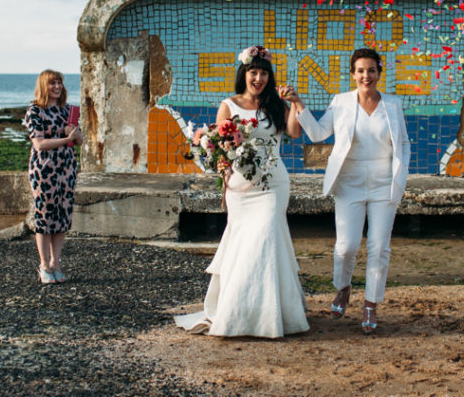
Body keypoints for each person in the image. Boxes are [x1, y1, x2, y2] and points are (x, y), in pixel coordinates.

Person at [175, 46, 309, 338]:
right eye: (253, 72)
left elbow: (294, 133)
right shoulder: (229, 105)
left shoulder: (276, 104)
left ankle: (270, 316)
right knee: (243, 245)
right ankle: (239, 313)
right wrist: (225, 173)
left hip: (273, 185)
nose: (258, 78)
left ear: (268, 76)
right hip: (240, 187)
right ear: (244, 74)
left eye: (263, 73)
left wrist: (296, 103)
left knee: (265, 240)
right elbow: (219, 147)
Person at [287, 48, 411, 334]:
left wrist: (400, 176)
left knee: (379, 247)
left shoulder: (393, 104)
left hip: (383, 182)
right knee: (346, 247)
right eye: (360, 70)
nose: (366, 76)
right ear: (352, 74)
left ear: (379, 73)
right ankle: (343, 287)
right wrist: (298, 104)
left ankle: (371, 303)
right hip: (349, 182)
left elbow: (403, 143)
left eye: (371, 70)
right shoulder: (341, 102)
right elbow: (318, 134)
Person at [23, 70, 83, 284]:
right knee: (44, 217)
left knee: (62, 216)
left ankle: (56, 263)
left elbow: (79, 141)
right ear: (43, 86)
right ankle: (44, 265)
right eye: (52, 83)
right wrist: (65, 137)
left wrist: (74, 135)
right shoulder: (34, 111)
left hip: (66, 168)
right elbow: (39, 144)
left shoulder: (67, 110)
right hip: (44, 170)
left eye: (59, 83)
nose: (57, 87)